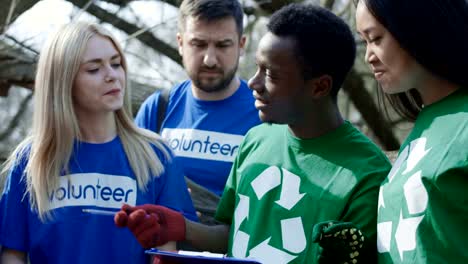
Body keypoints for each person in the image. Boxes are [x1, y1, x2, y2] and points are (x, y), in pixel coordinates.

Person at [115, 4, 392, 263]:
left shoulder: (368, 175)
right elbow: (231, 232)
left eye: (271, 75)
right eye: (257, 67)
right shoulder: (255, 140)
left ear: (319, 87)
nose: (253, 83)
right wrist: (182, 228)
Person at [0, 22, 197, 264]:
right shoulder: (30, 161)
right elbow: (12, 254)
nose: (112, 75)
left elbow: (169, 254)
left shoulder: (157, 156)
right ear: (63, 82)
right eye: (94, 69)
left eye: (116, 64)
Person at [355, 0, 468, 263]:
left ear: (417, 28)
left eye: (376, 38)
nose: (368, 56)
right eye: (364, 41)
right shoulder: (426, 124)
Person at [135, 0, 261, 197]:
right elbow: (135, 187)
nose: (209, 59)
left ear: (241, 45)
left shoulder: (264, 113)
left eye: (223, 45)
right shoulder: (157, 109)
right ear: (180, 43)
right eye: (198, 44)